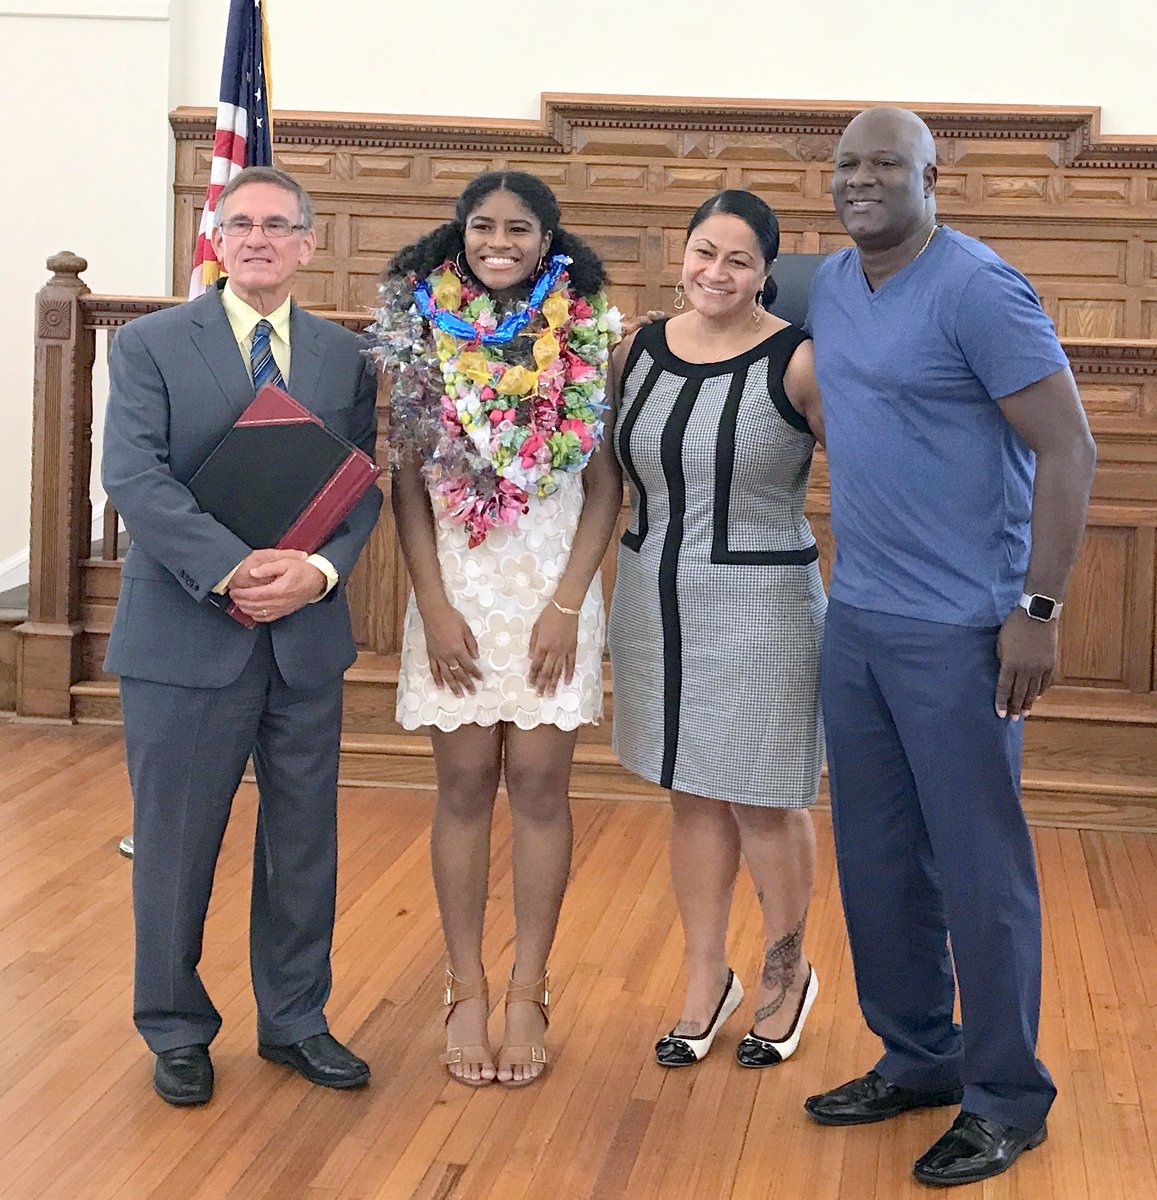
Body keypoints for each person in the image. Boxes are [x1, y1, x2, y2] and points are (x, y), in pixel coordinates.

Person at [803, 108, 1096, 1187]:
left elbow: (1068, 446)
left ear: (933, 176)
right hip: (860, 621)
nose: (861, 180)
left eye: (885, 163)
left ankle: (1006, 1094)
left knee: (977, 868)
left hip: (965, 631)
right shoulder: (831, 283)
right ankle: (918, 1055)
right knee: (877, 861)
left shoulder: (977, 288)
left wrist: (1040, 609)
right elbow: (725, 269)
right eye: (845, 164)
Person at [103, 165, 382, 1106]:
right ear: (215, 240)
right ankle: (175, 1027)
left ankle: (296, 1020)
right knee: (176, 843)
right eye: (239, 223)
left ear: (308, 243)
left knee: (304, 843)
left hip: (304, 637)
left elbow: (359, 486)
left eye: (277, 225)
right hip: (185, 636)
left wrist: (317, 572)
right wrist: (235, 570)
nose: (257, 238)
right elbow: (134, 478)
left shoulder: (346, 358)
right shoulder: (149, 345)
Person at [370, 171, 622, 1087]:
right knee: (466, 782)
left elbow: (604, 489)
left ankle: (528, 989)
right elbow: (405, 483)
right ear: (461, 232)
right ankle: (464, 986)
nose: (498, 242)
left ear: (548, 238)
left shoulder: (591, 331)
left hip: (552, 587)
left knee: (545, 787)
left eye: (519, 228)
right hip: (458, 587)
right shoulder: (418, 328)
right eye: (482, 226)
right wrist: (431, 605)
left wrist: (566, 605)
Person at [608, 190, 825, 1071]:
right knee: (691, 792)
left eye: (738, 260)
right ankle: (706, 978)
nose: (717, 273)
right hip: (649, 596)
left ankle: (787, 974)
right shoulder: (638, 350)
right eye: (705, 252)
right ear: (681, 253)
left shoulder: (800, 360)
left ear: (767, 272)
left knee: (765, 799)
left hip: (764, 605)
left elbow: (865, 478)